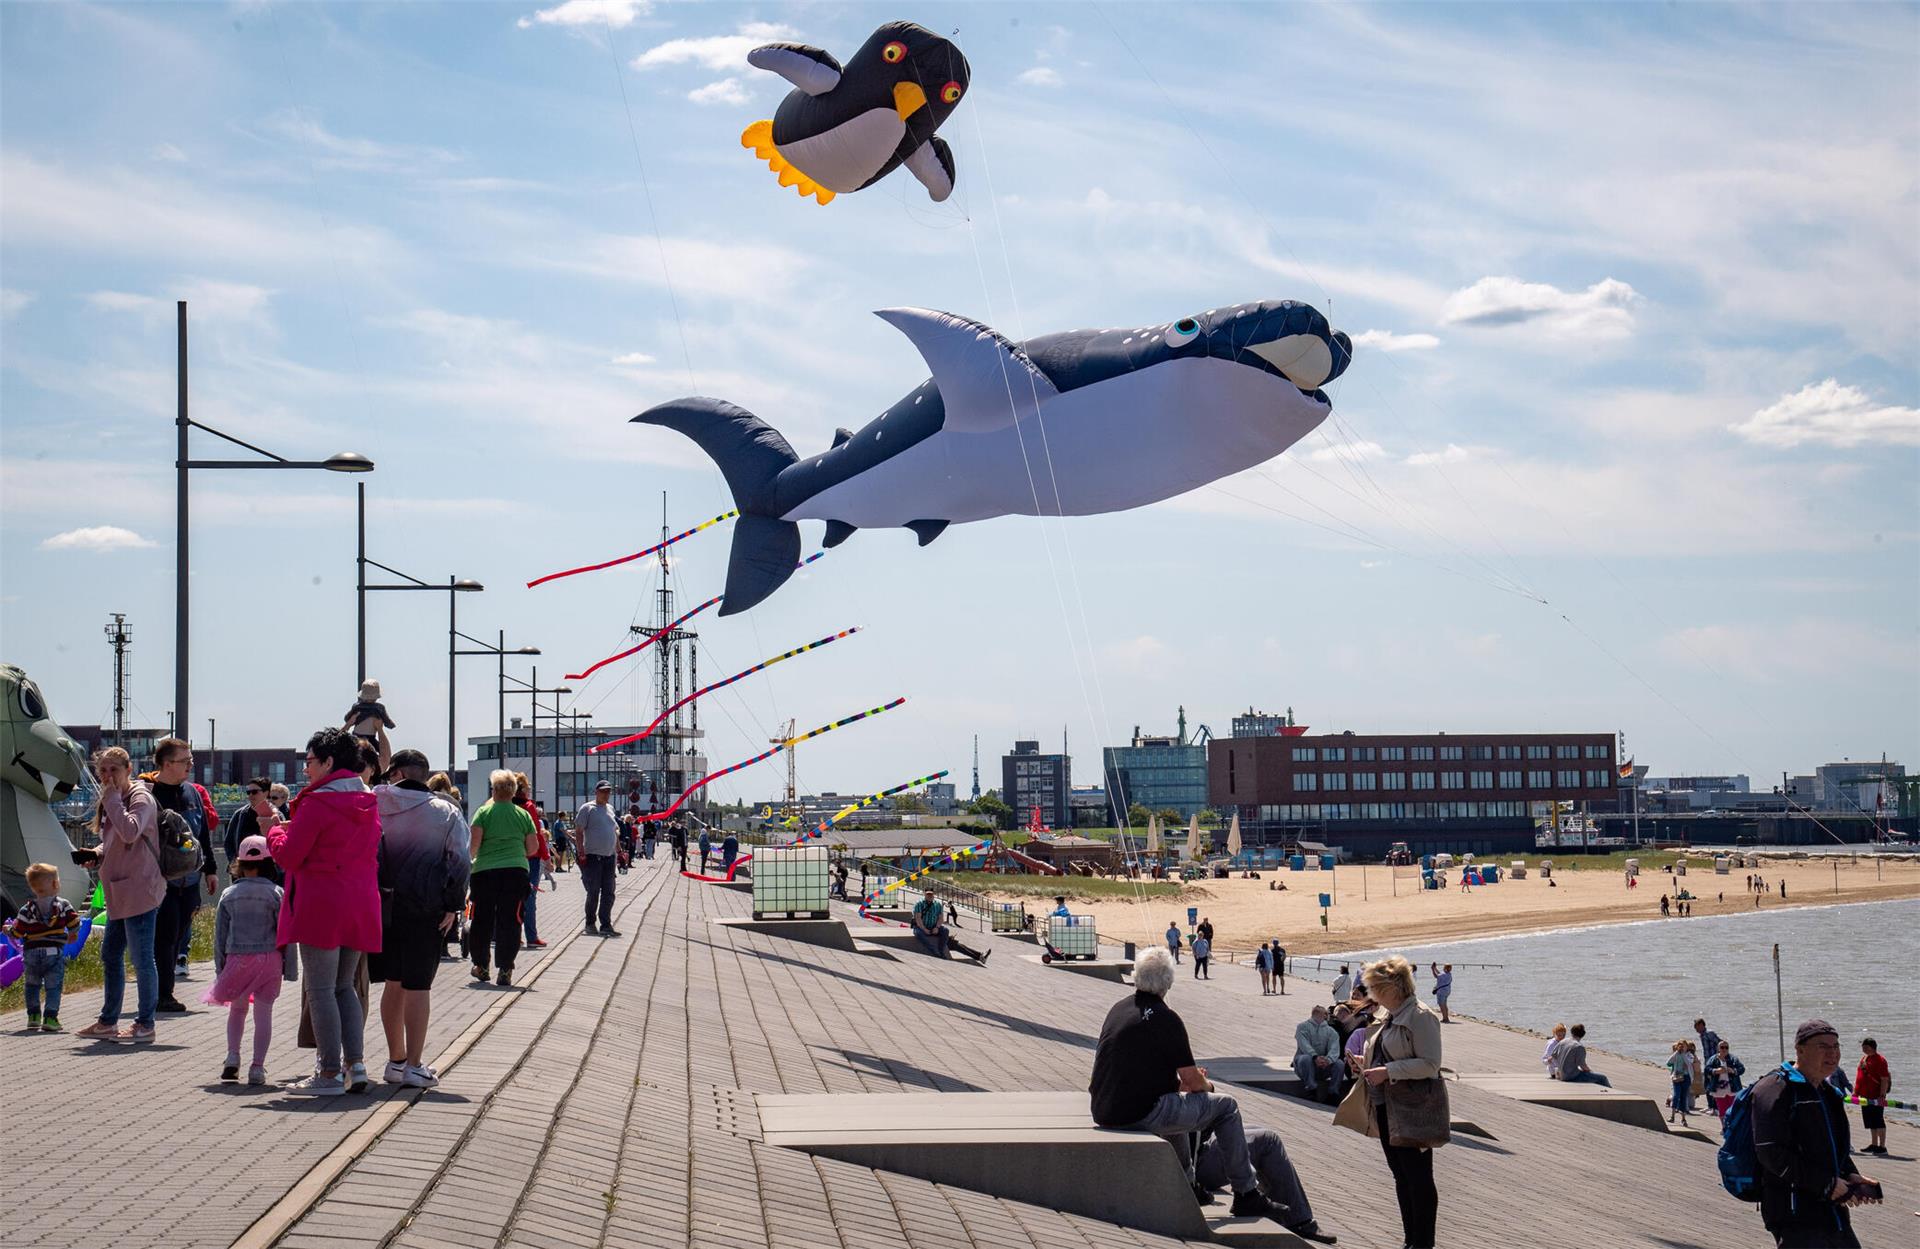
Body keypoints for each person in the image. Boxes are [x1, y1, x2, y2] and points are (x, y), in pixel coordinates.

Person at [1086, 947, 1318, 1236]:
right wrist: (1207, 1087)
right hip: (1139, 1113)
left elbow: (1135, 1068)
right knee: (1226, 1106)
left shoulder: (1119, 1009)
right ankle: (1246, 1194)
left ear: (1136, 977)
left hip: (1105, 1109)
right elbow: (1193, 1080)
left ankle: (1188, 1185)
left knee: (1176, 1105)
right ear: (1168, 982)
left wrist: (1181, 1086)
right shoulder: (1165, 1017)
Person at [272, 727, 383, 1096]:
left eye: (310, 762)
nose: (306, 771)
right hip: (360, 901)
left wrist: (274, 832)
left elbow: (289, 856)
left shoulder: (318, 803)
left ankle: (329, 1072)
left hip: (322, 901)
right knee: (344, 987)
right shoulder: (367, 801)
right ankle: (356, 1064)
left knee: (320, 990)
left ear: (328, 762)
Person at [373, 750, 470, 1088]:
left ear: (396, 772)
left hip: (381, 905)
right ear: (424, 775)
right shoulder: (445, 811)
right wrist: (453, 904)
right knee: (419, 985)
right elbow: (459, 861)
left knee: (393, 982)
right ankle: (415, 1064)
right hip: (426, 906)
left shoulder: (374, 801)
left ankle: (395, 1060)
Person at [1752, 1019, 1879, 1248]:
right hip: (1793, 1213)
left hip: (1831, 1212)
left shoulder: (1828, 1093)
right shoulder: (1774, 1089)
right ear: (1800, 1049)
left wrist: (1850, 1174)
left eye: (1836, 1046)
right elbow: (1770, 1153)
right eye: (1823, 1046)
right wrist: (1825, 1184)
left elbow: (1833, 1146)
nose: (1833, 1053)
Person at [1349, 956, 1444, 1249]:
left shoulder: (1420, 1016)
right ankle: (1410, 1240)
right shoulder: (1387, 1015)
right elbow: (1387, 1053)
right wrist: (1364, 1064)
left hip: (1412, 1106)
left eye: (1377, 989)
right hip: (1387, 1105)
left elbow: (1430, 1064)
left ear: (1395, 988)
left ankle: (1423, 1243)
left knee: (1418, 1177)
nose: (1372, 995)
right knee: (1401, 1175)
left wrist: (1387, 1071)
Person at [75, 747, 165, 1043]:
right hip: (118, 891)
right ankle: (108, 1020)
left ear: (128, 769)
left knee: (141, 959)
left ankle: (145, 1024)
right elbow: (113, 842)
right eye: (102, 771)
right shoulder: (114, 799)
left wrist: (112, 798)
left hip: (138, 890)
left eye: (114, 769)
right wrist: (96, 853)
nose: (107, 777)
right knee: (111, 955)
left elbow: (130, 832)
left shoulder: (140, 798)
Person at [203, 836, 295, 1085]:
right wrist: (289, 966)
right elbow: (285, 932)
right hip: (270, 958)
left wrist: (220, 967)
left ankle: (232, 1057)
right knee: (264, 1012)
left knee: (238, 1009)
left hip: (238, 958)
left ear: (240, 863)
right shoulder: (277, 893)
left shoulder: (229, 894)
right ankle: (257, 1067)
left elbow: (220, 936)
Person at [145, 737, 218, 1011]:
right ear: (166, 764)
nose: (190, 764)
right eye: (183, 760)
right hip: (161, 880)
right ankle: (162, 994)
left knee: (177, 935)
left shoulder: (193, 793)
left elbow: (201, 835)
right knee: (164, 936)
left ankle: (162, 990)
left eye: (190, 760)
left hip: (190, 880)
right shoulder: (149, 794)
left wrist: (210, 869)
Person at [468, 770, 538, 986]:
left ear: (494, 790)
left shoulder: (483, 813)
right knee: (511, 919)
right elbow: (533, 847)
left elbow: (473, 847)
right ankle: (505, 968)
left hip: (485, 872)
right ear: (513, 791)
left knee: (482, 920)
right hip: (515, 871)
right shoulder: (523, 815)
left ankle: (481, 966)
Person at [5, 862, 81, 1032]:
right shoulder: (63, 905)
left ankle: (33, 1016)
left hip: (31, 953)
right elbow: (75, 922)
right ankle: (50, 1018)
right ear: (55, 884)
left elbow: (17, 932)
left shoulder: (26, 910)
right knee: (53, 986)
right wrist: (73, 933)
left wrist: (8, 931)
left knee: (32, 985)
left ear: (33, 887)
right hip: (54, 953)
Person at [574, 781, 621, 938]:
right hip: (593, 857)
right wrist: (581, 851)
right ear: (596, 792)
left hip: (610, 857)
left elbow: (614, 831)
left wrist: (619, 851)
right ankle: (590, 923)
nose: (606, 794)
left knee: (609, 892)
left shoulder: (610, 809)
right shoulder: (587, 808)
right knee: (593, 891)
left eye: (608, 791)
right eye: (603, 791)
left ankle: (606, 924)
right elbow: (579, 832)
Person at [223, 776, 287, 882]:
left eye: (254, 792)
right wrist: (237, 865)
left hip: (270, 876)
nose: (250, 795)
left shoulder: (276, 816)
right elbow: (229, 843)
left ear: (266, 793)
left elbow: (281, 844)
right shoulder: (240, 814)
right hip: (243, 874)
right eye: (248, 792)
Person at [511, 774, 548, 949]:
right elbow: (536, 835)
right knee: (529, 898)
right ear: (524, 789)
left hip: (511, 858)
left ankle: (514, 935)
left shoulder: (505, 806)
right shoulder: (528, 806)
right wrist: (547, 858)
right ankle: (531, 937)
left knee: (511, 898)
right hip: (530, 858)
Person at [909, 890, 990, 963]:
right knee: (956, 945)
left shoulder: (937, 904)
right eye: (928, 894)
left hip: (935, 930)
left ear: (933, 895)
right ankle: (936, 952)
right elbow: (918, 919)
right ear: (925, 895)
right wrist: (925, 929)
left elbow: (941, 918)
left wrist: (937, 928)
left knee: (953, 940)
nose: (929, 896)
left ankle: (980, 956)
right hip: (922, 929)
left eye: (931, 894)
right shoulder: (919, 904)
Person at [1291, 1005, 1344, 1103]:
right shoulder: (1302, 1027)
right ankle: (1311, 1089)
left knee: (1339, 1064)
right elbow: (1304, 1044)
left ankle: (1333, 1092)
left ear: (1325, 1015)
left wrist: (1328, 1059)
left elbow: (1335, 1049)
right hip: (1305, 1066)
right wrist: (1314, 1056)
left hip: (1324, 1066)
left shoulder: (1331, 1031)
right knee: (1305, 1058)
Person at [1854, 1038, 1890, 1155]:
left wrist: (1882, 1095)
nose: (1863, 1049)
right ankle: (1874, 1144)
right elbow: (1859, 1077)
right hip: (1865, 1096)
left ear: (1872, 1047)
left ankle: (1882, 1146)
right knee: (1870, 1121)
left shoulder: (1880, 1060)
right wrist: (1856, 1092)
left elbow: (1884, 1079)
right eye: (1863, 1047)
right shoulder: (1864, 1059)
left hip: (1876, 1096)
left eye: (1865, 1047)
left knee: (1878, 1120)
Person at [344, 677, 397, 744]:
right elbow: (388, 723)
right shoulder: (379, 708)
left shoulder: (356, 706)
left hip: (356, 737)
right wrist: (392, 725)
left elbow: (346, 719)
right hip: (370, 738)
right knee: (380, 751)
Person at [1705, 1039, 1745, 1126]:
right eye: (1722, 1047)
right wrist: (1715, 1071)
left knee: (1732, 1108)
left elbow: (1742, 1069)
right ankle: (1724, 1126)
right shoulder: (1713, 1059)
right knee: (1722, 1108)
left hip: (1732, 1087)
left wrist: (1733, 1070)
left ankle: (1731, 1125)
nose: (1724, 1049)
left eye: (1726, 1047)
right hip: (1718, 1088)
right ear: (1718, 1048)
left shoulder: (1733, 1059)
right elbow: (1707, 1069)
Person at [1665, 1040, 1694, 1126]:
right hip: (1676, 1077)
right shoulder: (1676, 1054)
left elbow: (1688, 1063)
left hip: (1686, 1078)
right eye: (1680, 1046)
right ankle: (1672, 1116)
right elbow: (1668, 1062)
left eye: (1683, 1046)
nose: (1681, 1048)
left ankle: (1683, 1118)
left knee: (1683, 1097)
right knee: (1676, 1095)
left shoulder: (1689, 1055)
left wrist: (1683, 1054)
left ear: (1686, 1047)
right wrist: (1676, 1054)